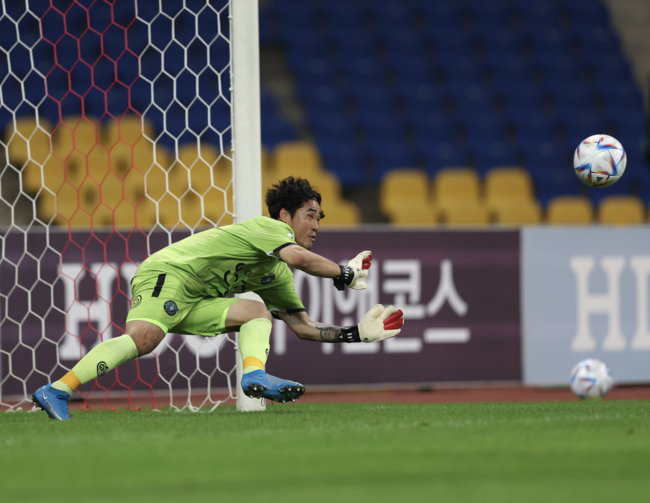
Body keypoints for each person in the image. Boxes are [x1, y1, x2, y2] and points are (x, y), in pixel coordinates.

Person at [32, 177, 404, 420]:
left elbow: (303, 327)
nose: (317, 226)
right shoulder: (268, 228)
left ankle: (254, 374)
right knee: (145, 339)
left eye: (320, 218)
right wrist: (345, 273)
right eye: (310, 216)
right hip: (170, 273)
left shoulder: (274, 273)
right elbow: (301, 259)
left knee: (258, 312)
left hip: (197, 298)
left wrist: (355, 334)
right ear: (286, 216)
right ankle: (56, 390)